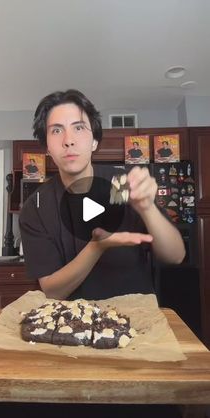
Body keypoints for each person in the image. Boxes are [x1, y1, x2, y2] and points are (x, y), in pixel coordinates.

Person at [19, 89, 185, 301]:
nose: (68, 140)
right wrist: (96, 247)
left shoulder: (122, 184)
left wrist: (147, 208)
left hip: (137, 320)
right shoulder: (36, 208)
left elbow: (176, 256)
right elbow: (53, 291)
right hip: (72, 325)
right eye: (56, 130)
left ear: (95, 141)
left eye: (78, 128)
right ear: (47, 147)